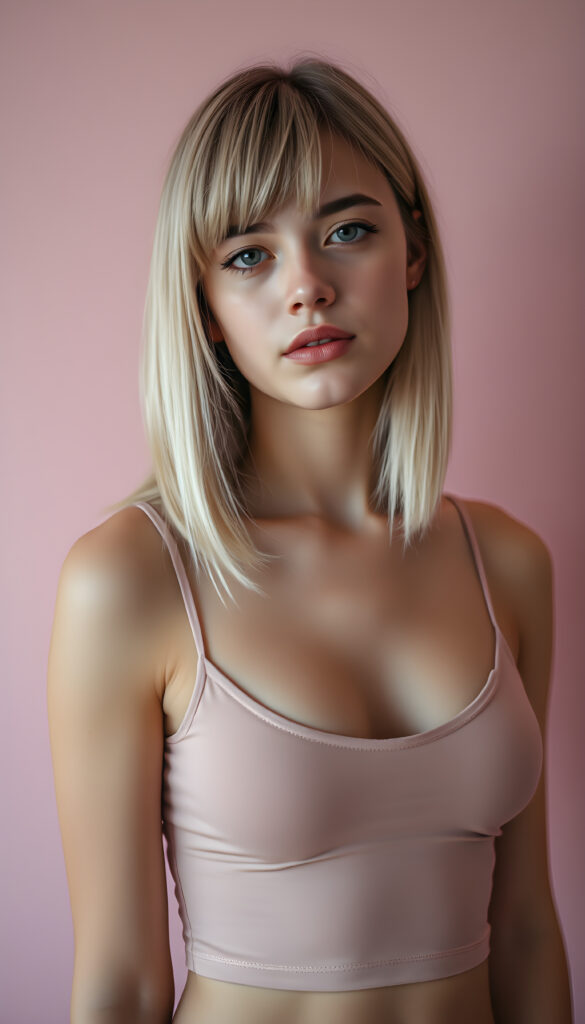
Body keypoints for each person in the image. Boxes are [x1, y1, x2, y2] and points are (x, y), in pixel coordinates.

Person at [47, 58, 572, 1024]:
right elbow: (120, 981)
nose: (308, 287)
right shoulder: (128, 581)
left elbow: (530, 929)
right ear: (203, 305)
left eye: (347, 231)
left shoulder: (508, 564)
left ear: (411, 252)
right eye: (249, 253)